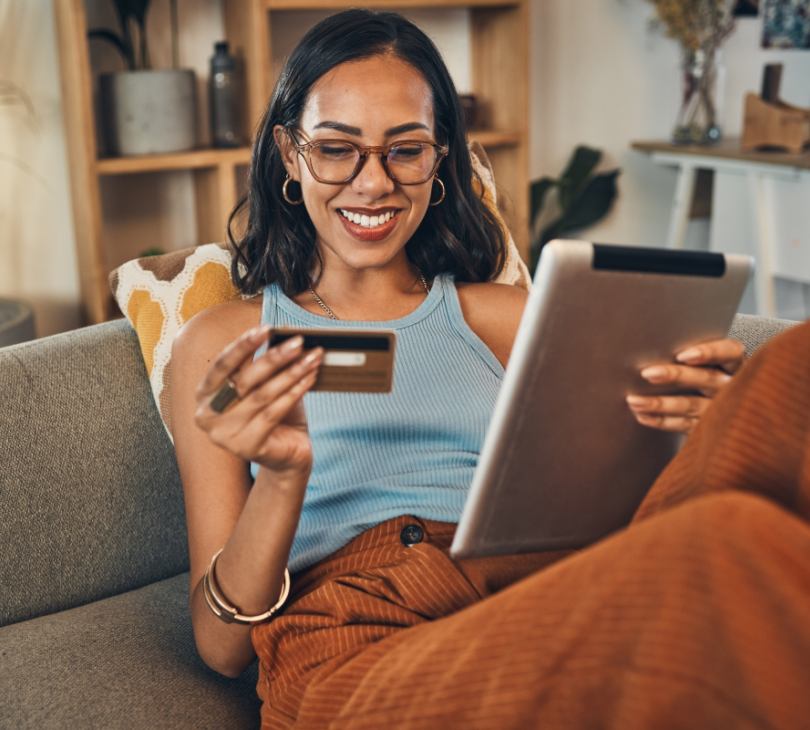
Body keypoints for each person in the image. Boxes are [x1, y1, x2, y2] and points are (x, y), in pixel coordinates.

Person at [169, 10, 810, 729]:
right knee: (732, 542)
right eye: (336, 149)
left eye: (404, 150)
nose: (372, 183)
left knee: (794, 371)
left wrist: (699, 425)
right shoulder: (227, 341)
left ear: (440, 156)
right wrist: (283, 480)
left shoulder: (503, 315)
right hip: (356, 632)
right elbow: (221, 646)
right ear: (290, 154)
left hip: (532, 578)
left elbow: (606, 494)